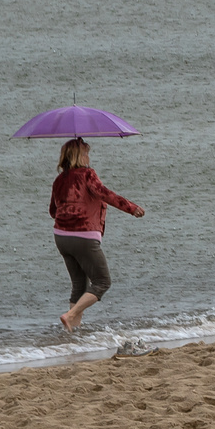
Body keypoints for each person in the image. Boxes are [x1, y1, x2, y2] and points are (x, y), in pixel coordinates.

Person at [49, 137, 145, 332]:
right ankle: (71, 315)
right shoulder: (87, 175)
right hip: (83, 236)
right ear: (78, 156)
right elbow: (105, 194)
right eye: (86, 153)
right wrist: (131, 208)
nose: (88, 157)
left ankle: (72, 333)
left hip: (61, 237)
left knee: (79, 285)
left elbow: (53, 210)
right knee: (102, 282)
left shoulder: (59, 180)